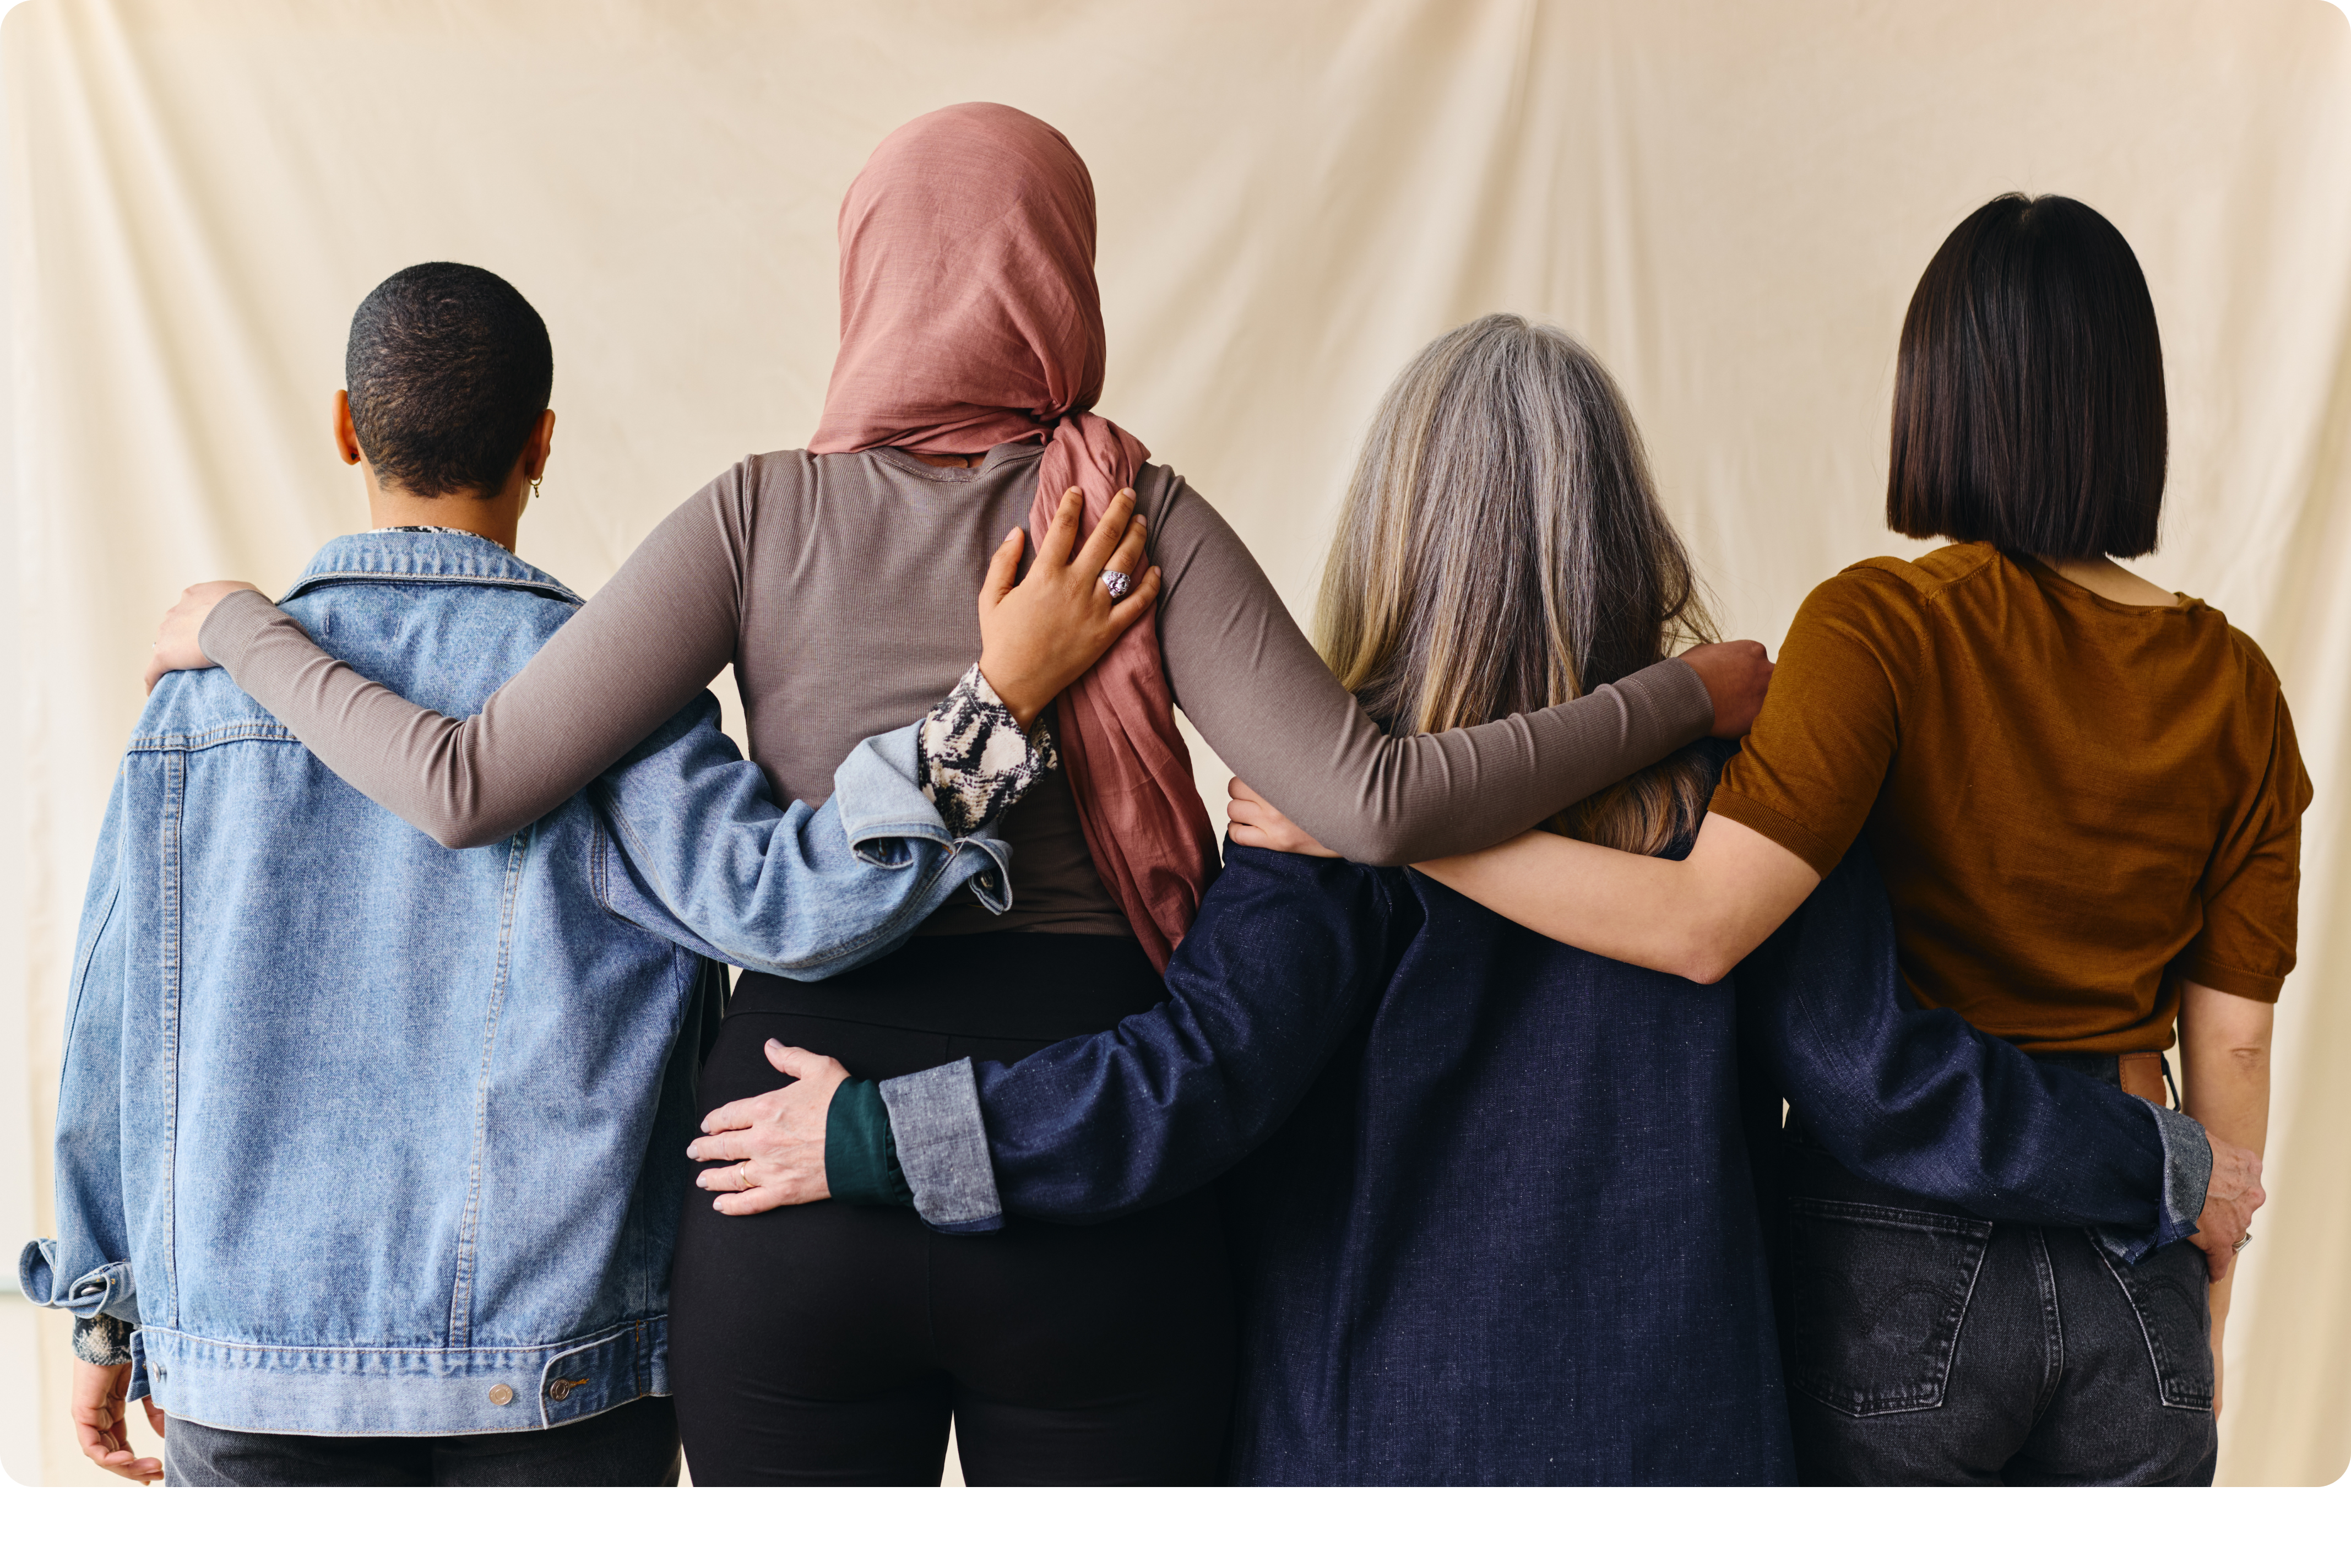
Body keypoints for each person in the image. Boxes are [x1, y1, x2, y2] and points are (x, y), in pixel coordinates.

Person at [138, 106, 1774, 1485]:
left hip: (777, 1174)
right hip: (1094, 1187)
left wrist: (238, 629)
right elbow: (1368, 795)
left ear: (864, 277)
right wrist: (1679, 695)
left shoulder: (755, 517)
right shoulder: (1124, 511)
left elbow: (463, 779)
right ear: (1064, 276)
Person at [694, 316, 2259, 1485]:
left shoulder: (1314, 806)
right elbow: (1880, 1081)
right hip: (1684, 1446)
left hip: (1372, 1452)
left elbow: (1186, 1089)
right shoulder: (1747, 782)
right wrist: (2158, 1159)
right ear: (1623, 526)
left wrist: (881, 1131)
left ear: (1394, 521)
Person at [19, 262, 1125, 1486]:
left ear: (345, 425)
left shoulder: (200, 701)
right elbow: (786, 906)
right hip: (551, 1383)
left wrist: (105, 1304)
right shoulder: (612, 697)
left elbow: (114, 1025)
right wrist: (994, 706)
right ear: (543, 444)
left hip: (249, 1366)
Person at [1385, 199, 2306, 1485]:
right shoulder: (2240, 687)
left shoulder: (1877, 628)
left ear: (1938, 393)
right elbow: (2238, 1042)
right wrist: (2203, 1300)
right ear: (2129, 406)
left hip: (1895, 1259)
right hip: (2130, 1249)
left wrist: (1401, 821)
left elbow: (1705, 923)